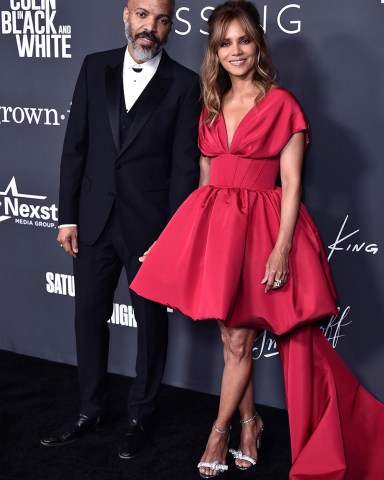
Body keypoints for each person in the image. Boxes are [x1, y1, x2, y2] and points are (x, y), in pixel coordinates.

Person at [131, 1, 384, 478]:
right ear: (215, 51)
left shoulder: (282, 103)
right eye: (225, 43)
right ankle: (251, 423)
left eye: (244, 39)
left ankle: (218, 431)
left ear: (258, 44)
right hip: (218, 231)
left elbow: (292, 184)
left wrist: (282, 248)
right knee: (232, 338)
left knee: (239, 341)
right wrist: (175, 244)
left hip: (262, 231)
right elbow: (203, 187)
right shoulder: (209, 104)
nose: (236, 51)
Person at [40, 0, 201, 460]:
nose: (152, 27)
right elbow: (76, 146)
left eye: (163, 19)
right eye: (144, 15)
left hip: (149, 232)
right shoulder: (95, 67)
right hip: (91, 221)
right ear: (126, 16)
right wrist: (67, 215)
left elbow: (183, 170)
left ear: (171, 25)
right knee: (88, 318)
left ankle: (140, 416)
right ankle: (91, 409)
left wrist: (169, 240)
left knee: (151, 327)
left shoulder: (185, 85)